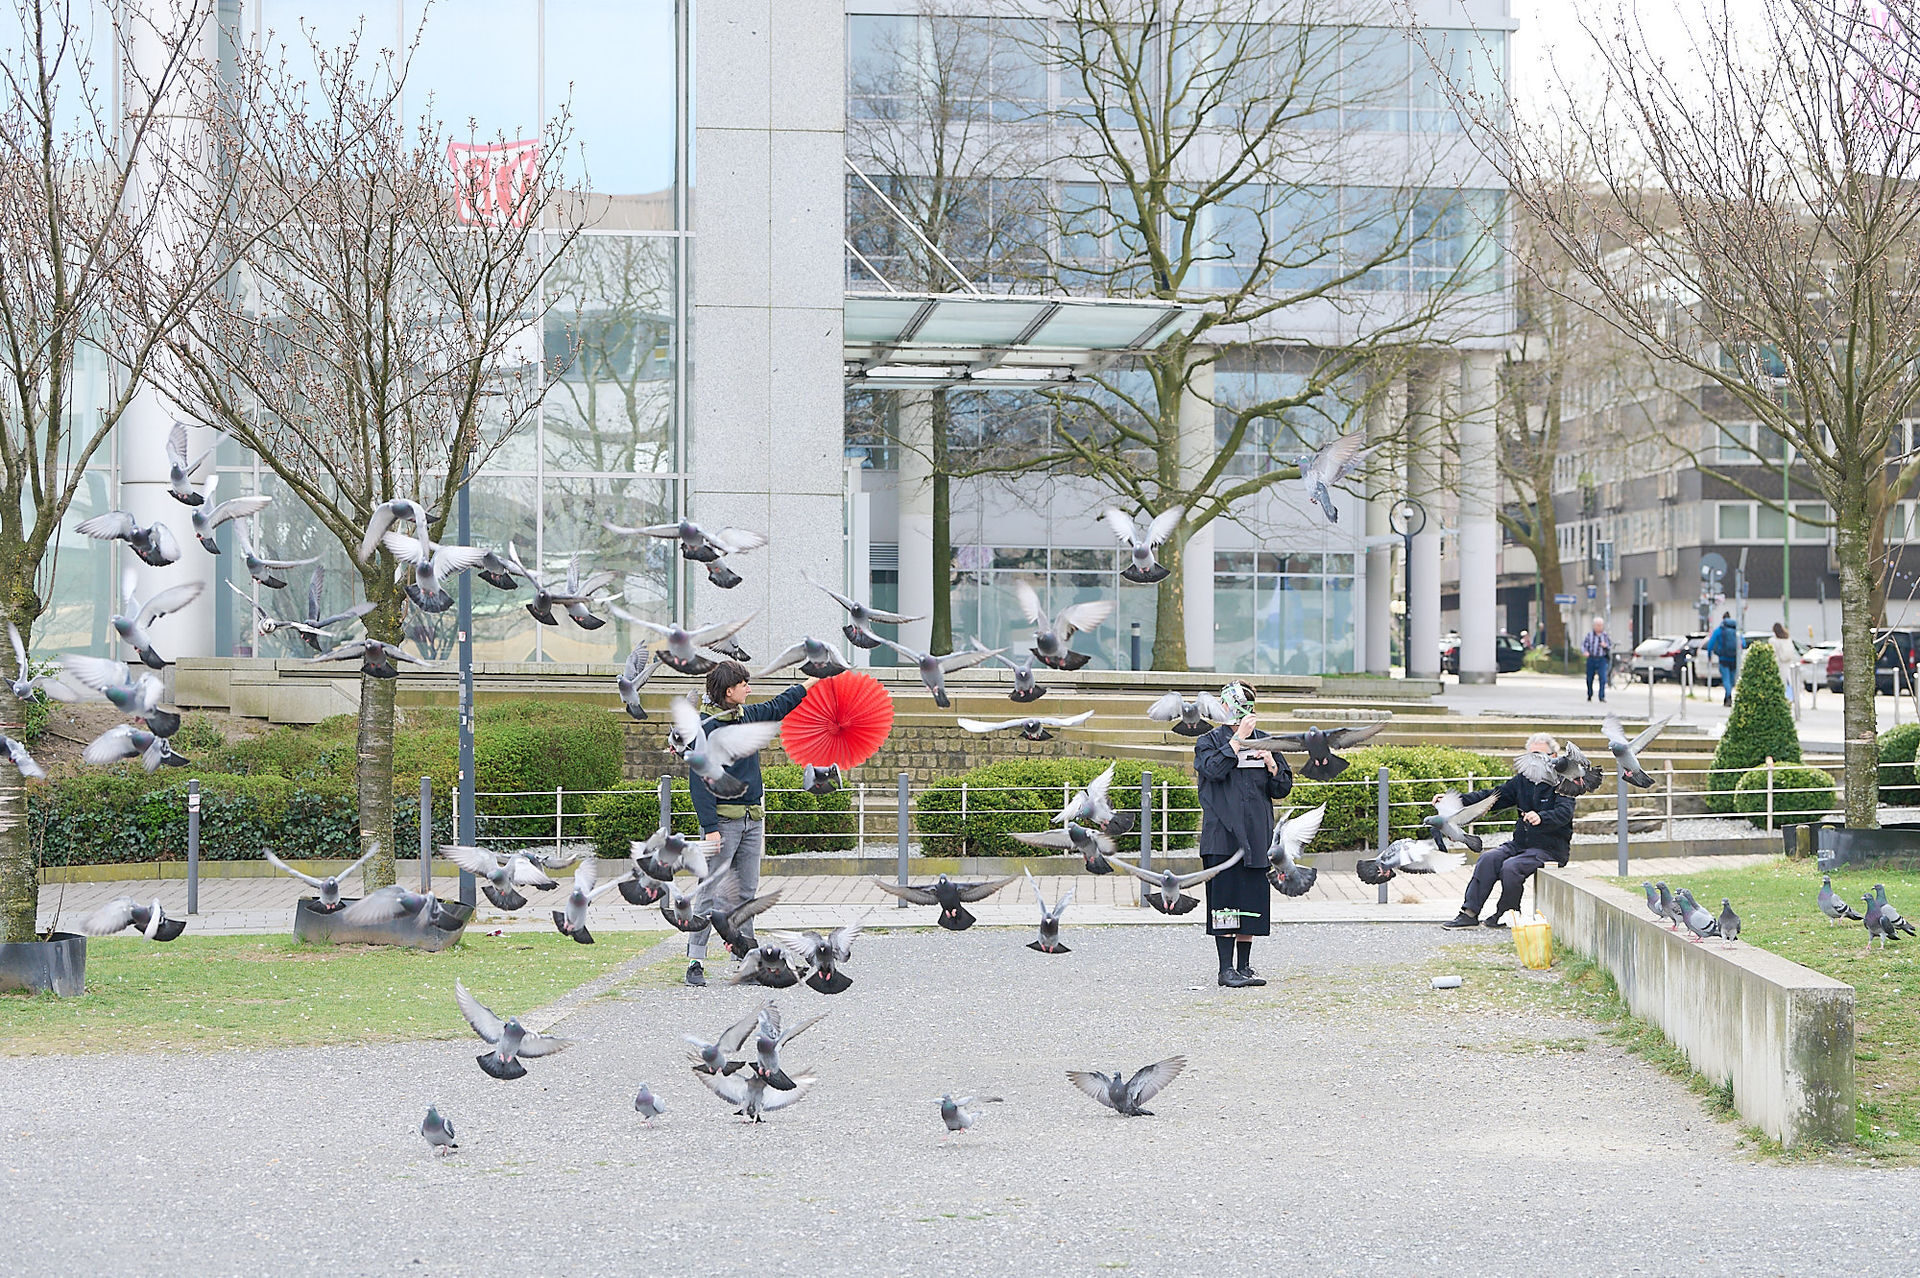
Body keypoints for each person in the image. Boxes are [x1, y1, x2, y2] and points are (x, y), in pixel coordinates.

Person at [682, 660, 807, 987]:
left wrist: (811, 685)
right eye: (744, 684)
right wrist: (709, 826)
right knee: (709, 891)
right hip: (723, 822)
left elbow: (779, 705)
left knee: (747, 893)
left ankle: (746, 957)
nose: (749, 689)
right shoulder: (706, 727)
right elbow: (699, 780)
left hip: (753, 818)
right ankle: (695, 960)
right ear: (728, 691)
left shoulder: (747, 716)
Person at [1192, 681, 1294, 988]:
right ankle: (1226, 969)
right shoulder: (1208, 741)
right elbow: (1212, 770)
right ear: (1224, 706)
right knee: (1225, 900)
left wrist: (1273, 764)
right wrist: (1237, 740)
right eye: (1236, 704)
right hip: (1222, 837)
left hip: (1257, 836)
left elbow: (1283, 788)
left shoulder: (1266, 741)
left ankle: (1244, 966)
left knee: (1251, 900)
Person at [1440, 732, 1577, 930]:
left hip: (1550, 850)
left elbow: (1565, 813)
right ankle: (1469, 914)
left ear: (1555, 757)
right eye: (1531, 756)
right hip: (1520, 845)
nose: (1534, 761)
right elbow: (1492, 797)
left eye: (1540, 755)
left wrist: (1541, 818)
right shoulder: (1523, 780)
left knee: (1511, 867)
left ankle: (1508, 913)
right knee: (1488, 859)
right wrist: (1453, 801)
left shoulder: (1566, 783)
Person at [1708, 612, 1741, 706]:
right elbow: (1742, 643)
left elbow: (1711, 643)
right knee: (1731, 680)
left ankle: (1728, 697)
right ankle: (1728, 697)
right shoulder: (1736, 630)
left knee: (1726, 679)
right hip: (1734, 659)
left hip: (1723, 658)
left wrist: (1709, 655)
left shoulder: (1719, 630)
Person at [1771, 621, 1800, 717]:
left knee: (1780, 685)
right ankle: (1791, 701)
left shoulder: (1774, 641)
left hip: (1779, 665)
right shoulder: (1788, 639)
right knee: (1790, 684)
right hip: (1789, 665)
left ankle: (1781, 703)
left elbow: (1772, 654)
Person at [1582, 616, 1612, 702]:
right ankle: (1590, 694)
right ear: (1594, 626)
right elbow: (1584, 645)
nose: (1599, 627)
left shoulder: (1605, 635)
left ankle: (1601, 696)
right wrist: (1585, 652)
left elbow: (1610, 645)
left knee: (1603, 678)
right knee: (1589, 678)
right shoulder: (1589, 635)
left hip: (1602, 659)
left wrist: (1605, 646)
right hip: (1591, 658)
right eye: (1597, 625)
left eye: (1600, 625)